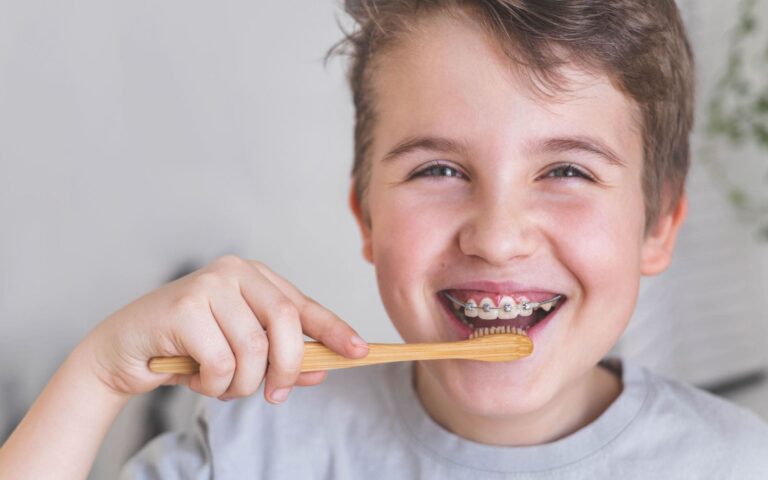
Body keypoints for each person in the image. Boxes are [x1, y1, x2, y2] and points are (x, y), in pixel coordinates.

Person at [2, 1, 768, 478]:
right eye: (439, 167)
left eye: (566, 169)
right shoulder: (259, 448)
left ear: (659, 224)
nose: (498, 238)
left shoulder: (738, 465)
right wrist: (97, 376)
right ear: (367, 216)